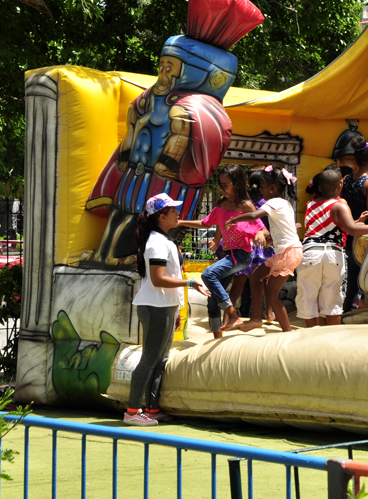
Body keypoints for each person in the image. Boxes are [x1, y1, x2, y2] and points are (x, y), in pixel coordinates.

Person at [124, 193, 210, 426]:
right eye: (173, 210)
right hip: (155, 307)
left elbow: (169, 275)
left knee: (160, 359)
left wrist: (176, 310)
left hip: (164, 307)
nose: (177, 213)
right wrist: (191, 283)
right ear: (162, 216)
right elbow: (158, 279)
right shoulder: (156, 242)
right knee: (149, 359)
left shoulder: (163, 239)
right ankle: (132, 412)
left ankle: (151, 409)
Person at [296, 169, 368, 327]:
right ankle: (333, 338)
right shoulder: (339, 205)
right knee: (332, 302)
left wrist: (357, 222)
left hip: (310, 253)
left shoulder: (310, 204)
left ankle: (311, 337)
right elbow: (351, 229)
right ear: (340, 185)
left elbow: (334, 226)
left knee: (308, 299)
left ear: (319, 187)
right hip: (332, 254)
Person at [177, 164, 263, 338]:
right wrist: (180, 222)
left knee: (208, 274)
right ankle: (217, 337)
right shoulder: (222, 204)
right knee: (212, 298)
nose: (222, 189)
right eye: (220, 185)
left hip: (242, 255)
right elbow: (206, 223)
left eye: (225, 185)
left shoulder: (246, 206)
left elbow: (261, 228)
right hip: (228, 254)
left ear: (237, 184)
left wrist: (260, 233)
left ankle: (233, 315)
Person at [228, 166, 302, 332]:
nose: (260, 190)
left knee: (271, 294)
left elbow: (254, 215)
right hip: (289, 250)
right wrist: (268, 241)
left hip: (287, 252)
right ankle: (256, 318)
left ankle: (287, 331)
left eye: (262, 187)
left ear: (272, 188)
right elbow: (282, 231)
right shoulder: (285, 203)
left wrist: (234, 219)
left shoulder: (273, 202)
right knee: (255, 277)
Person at [340, 137, 368, 311]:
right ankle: (352, 312)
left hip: (347, 234)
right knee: (361, 279)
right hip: (364, 238)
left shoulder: (346, 179)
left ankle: (346, 311)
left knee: (351, 280)